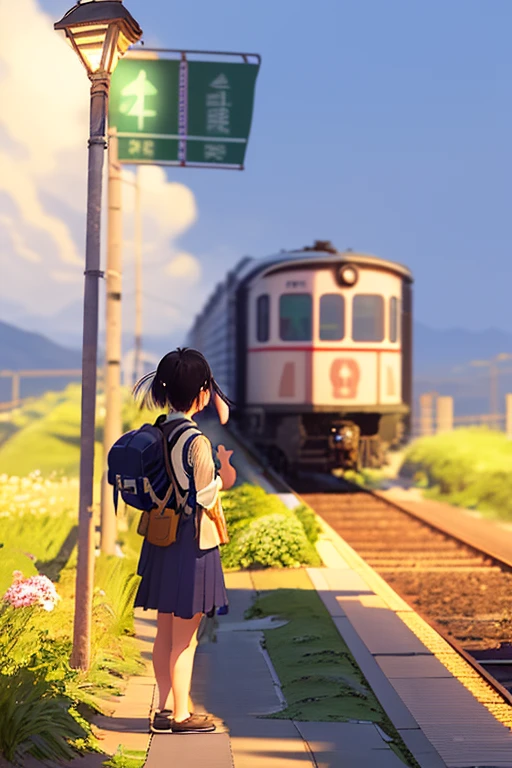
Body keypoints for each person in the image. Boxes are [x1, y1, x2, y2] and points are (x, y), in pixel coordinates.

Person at [132, 348, 236, 734]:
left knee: (164, 633)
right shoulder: (196, 441)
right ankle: (179, 715)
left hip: (161, 540)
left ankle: (163, 707)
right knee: (186, 640)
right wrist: (226, 474)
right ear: (203, 393)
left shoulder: (158, 431)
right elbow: (206, 494)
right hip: (192, 544)